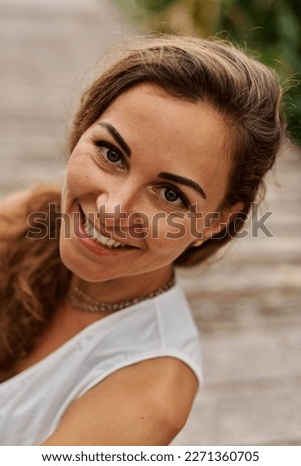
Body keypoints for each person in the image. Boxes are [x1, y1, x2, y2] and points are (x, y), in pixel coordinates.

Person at [0, 35, 288, 446]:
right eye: (111, 153)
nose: (112, 209)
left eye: (171, 195)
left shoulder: (150, 389)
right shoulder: (25, 215)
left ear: (217, 223)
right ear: (82, 129)